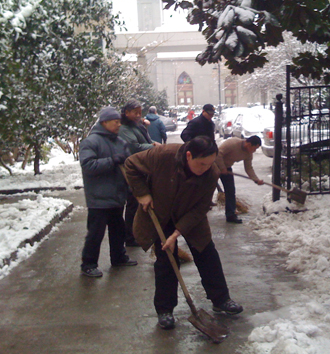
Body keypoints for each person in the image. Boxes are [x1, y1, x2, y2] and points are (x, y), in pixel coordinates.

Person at [124, 136, 243, 330]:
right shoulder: (163, 155)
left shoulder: (211, 172)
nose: (205, 168)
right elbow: (131, 164)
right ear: (189, 155)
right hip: (161, 212)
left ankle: (221, 299)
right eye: (201, 163)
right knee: (166, 259)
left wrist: (177, 233)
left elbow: (201, 208)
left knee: (207, 252)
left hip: (190, 213)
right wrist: (142, 193)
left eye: (210, 163)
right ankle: (165, 310)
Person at [78, 106, 138, 277]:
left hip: (117, 195)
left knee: (118, 230)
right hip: (99, 198)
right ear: (104, 122)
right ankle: (88, 264)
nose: (119, 124)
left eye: (119, 121)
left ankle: (118, 258)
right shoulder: (91, 142)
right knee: (95, 234)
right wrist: (112, 160)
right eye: (115, 121)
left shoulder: (120, 142)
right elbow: (88, 165)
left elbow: (127, 167)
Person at [119, 99, 159, 247]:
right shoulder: (124, 129)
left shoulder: (136, 125)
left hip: (141, 167)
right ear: (126, 113)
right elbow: (133, 147)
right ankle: (129, 236)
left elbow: (143, 139)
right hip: (132, 169)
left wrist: (151, 142)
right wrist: (152, 146)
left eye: (139, 112)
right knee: (132, 204)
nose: (138, 115)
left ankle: (133, 234)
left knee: (135, 204)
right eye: (134, 112)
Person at [215, 136, 264, 223]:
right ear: (249, 144)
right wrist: (222, 168)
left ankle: (230, 215)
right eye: (255, 148)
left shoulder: (248, 154)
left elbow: (248, 168)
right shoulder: (233, 143)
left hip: (227, 168)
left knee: (230, 190)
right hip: (213, 166)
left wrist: (256, 180)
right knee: (208, 188)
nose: (254, 151)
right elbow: (218, 154)